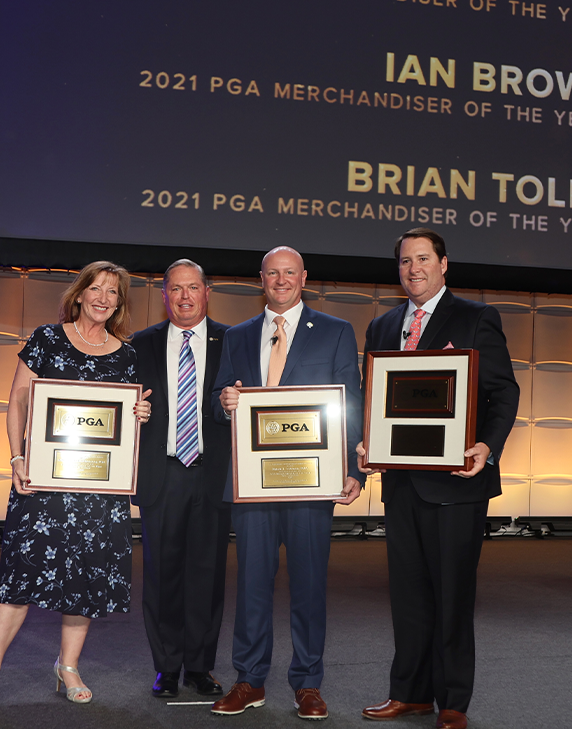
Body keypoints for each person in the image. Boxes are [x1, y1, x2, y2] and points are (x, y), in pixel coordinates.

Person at [0, 262, 153, 711]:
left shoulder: (127, 356)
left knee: (85, 580)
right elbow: (18, 400)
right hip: (42, 482)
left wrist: (139, 418)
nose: (104, 298)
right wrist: (17, 457)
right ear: (80, 293)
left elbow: (120, 428)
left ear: (120, 303)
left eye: (114, 293)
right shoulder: (48, 338)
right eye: (97, 289)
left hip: (98, 491)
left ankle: (68, 667)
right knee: (17, 578)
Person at [357, 228, 519, 729]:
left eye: (423, 259)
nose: (413, 269)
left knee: (452, 595)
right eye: (405, 261)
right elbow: (373, 402)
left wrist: (486, 448)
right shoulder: (382, 328)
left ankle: (452, 701)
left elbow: (503, 393)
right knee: (407, 594)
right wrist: (364, 443)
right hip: (402, 483)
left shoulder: (476, 317)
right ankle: (408, 692)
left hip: (457, 484)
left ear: (444, 264)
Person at [208, 246, 363, 720]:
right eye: (273, 273)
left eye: (289, 273)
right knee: (252, 583)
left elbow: (349, 402)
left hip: (311, 482)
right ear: (261, 280)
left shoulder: (336, 332)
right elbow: (216, 399)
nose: (281, 280)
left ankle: (307, 683)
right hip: (253, 482)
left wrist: (352, 470)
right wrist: (226, 400)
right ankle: (249, 680)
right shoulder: (237, 336)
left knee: (309, 585)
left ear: (304, 278)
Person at [130, 259, 230, 699]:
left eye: (193, 288)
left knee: (208, 578)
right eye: (175, 289)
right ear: (164, 295)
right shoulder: (140, 344)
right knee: (162, 576)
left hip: (213, 475)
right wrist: (134, 416)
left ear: (207, 292)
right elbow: (121, 407)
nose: (184, 297)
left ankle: (201, 667)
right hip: (162, 474)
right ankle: (167, 667)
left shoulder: (234, 341)